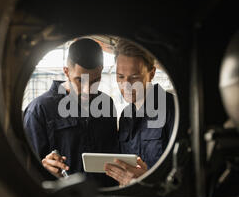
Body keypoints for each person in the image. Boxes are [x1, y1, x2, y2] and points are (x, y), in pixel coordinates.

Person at [23, 38, 119, 187]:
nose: (88, 91)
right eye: (80, 81)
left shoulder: (106, 104)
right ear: (66, 72)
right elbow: (26, 169)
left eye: (95, 81)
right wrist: (44, 168)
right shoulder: (39, 110)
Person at [105, 39, 175, 186]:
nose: (126, 86)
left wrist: (148, 180)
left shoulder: (172, 109)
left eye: (135, 77)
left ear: (152, 73)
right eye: (120, 77)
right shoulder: (125, 116)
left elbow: (187, 173)